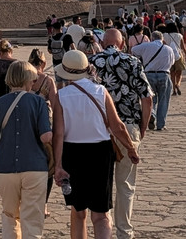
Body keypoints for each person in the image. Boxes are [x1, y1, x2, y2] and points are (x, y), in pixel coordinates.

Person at [54, 50, 140, 239]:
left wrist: (58, 165)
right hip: (100, 152)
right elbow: (117, 126)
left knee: (78, 211)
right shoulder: (100, 91)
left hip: (73, 152)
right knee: (100, 214)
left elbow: (58, 133)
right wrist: (130, 148)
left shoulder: (61, 96)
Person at [90, 28, 152, 239]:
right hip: (128, 126)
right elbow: (147, 98)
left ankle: (103, 227)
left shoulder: (93, 63)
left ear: (102, 43)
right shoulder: (133, 62)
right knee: (125, 183)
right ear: (122, 44)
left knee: (102, 182)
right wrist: (143, 126)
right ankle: (124, 232)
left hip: (99, 129)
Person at [0, 60, 53, 239]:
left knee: (10, 215)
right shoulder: (38, 102)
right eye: (32, 79)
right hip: (35, 167)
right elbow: (46, 137)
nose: (34, 82)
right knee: (32, 217)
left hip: (5, 168)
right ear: (27, 78)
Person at [29, 48, 62, 215]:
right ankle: (44, 204)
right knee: (48, 165)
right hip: (44, 125)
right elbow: (55, 105)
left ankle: (29, 201)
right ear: (43, 63)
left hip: (27, 124)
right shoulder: (47, 81)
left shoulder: (25, 78)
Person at [131, 31, 175, 131]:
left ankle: (152, 113)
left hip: (149, 74)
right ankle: (161, 124)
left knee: (151, 99)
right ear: (162, 38)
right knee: (164, 100)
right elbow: (172, 62)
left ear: (152, 38)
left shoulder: (147, 45)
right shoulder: (168, 49)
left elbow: (133, 50)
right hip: (164, 74)